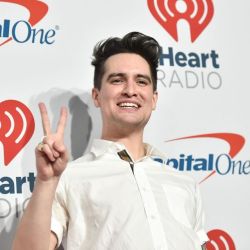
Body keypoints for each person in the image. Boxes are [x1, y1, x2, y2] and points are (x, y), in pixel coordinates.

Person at [12, 32, 208, 250]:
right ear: (96, 96)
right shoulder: (68, 178)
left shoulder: (185, 183)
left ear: (154, 99)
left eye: (141, 81)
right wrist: (47, 182)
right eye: (117, 80)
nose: (131, 91)